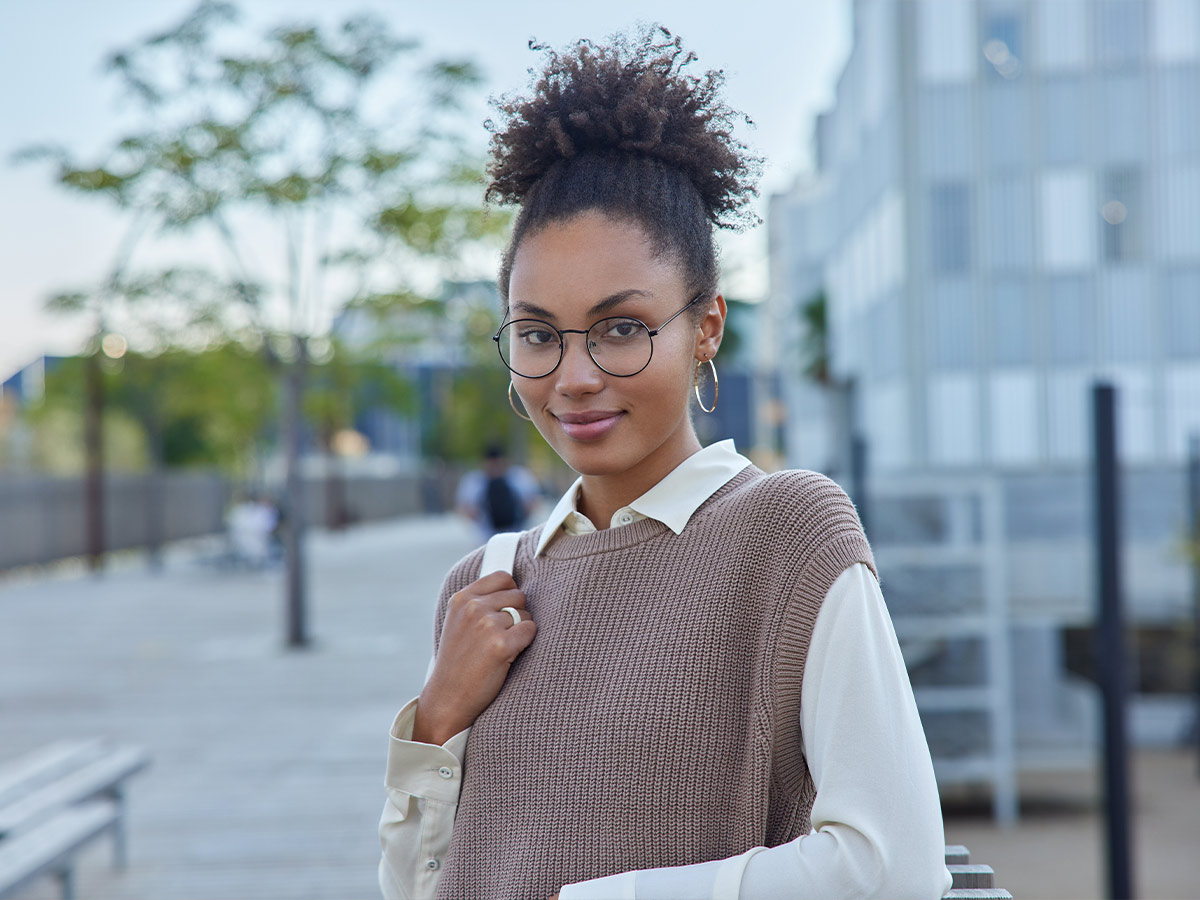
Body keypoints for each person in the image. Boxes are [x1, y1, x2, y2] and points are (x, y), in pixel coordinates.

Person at [378, 28, 952, 900]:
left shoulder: (787, 534)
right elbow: (417, 887)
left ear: (706, 328)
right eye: (537, 334)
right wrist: (435, 720)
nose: (573, 377)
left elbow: (892, 868)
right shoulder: (485, 586)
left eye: (621, 328)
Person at [455, 443, 540, 539]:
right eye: (492, 465)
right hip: (488, 537)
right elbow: (463, 509)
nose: (495, 468)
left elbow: (534, 502)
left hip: (517, 534)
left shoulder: (519, 477)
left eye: (497, 464)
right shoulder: (475, 481)